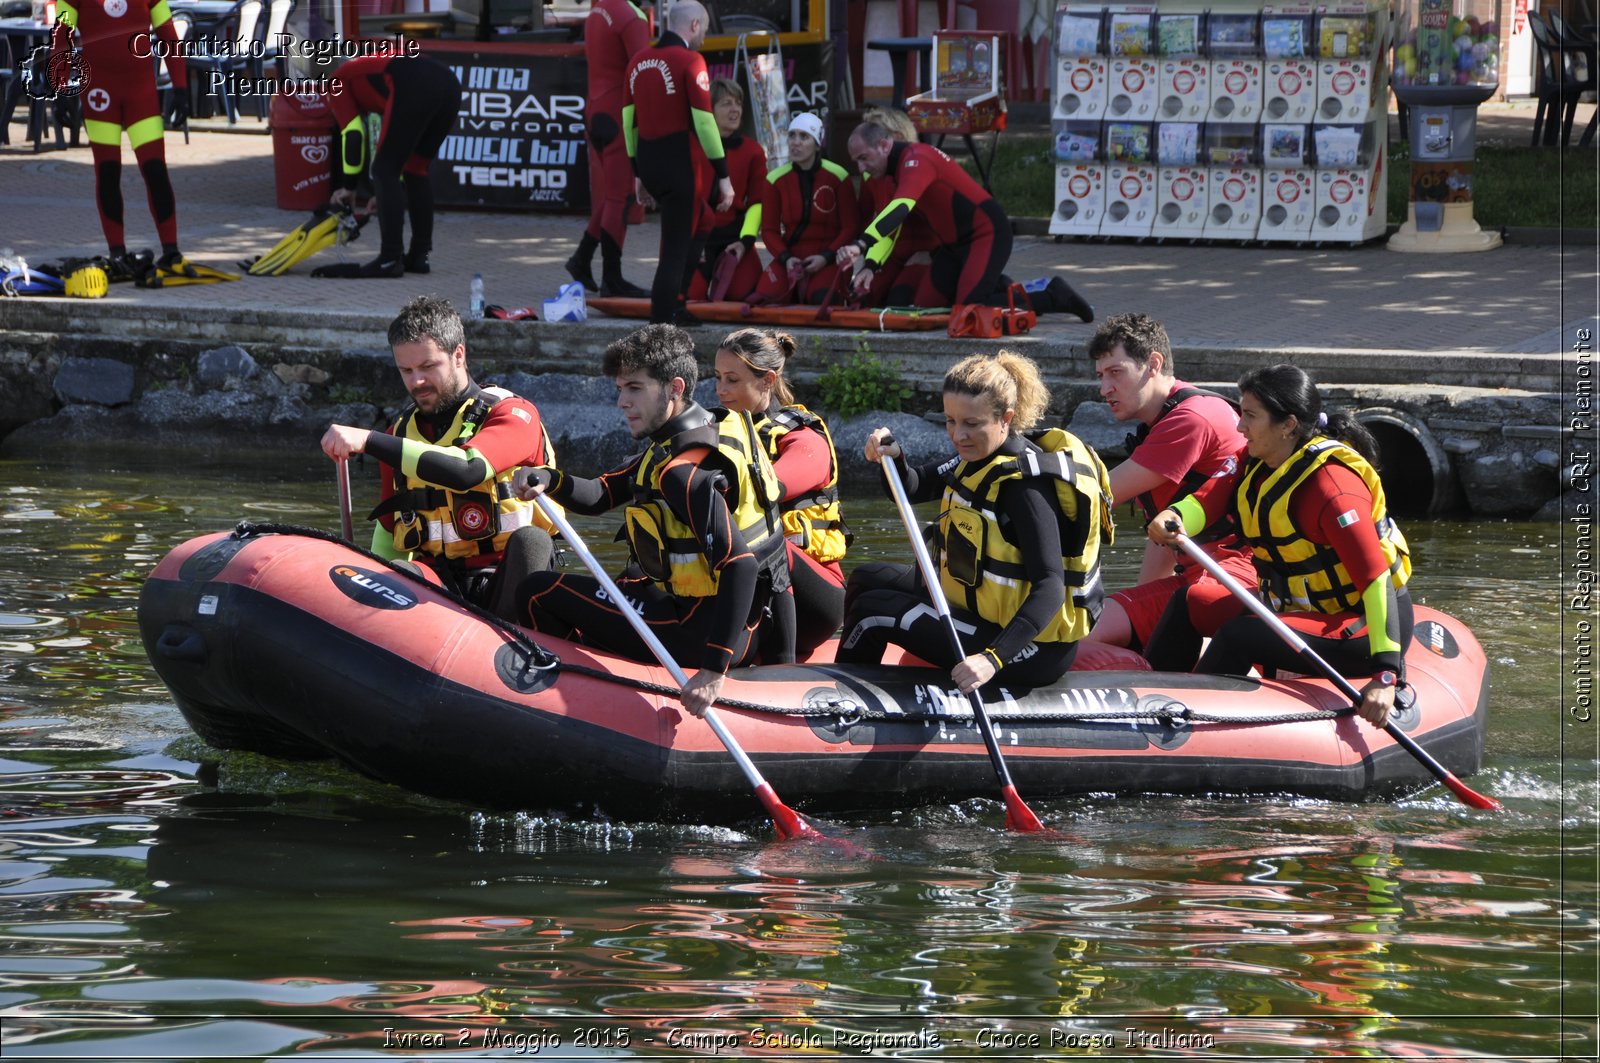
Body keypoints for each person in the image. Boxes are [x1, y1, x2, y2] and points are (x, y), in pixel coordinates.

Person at [511, 324, 792, 716]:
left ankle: (569, 704)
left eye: (635, 389)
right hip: (752, 625)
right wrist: (549, 478)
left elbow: (741, 565)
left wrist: (712, 672)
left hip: (701, 635)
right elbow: (600, 495)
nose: (622, 402)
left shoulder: (683, 472)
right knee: (629, 578)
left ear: (675, 388)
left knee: (537, 590)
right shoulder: (712, 426)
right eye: (620, 389)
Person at [1147, 364, 1414, 727]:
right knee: (1189, 602)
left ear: (1287, 425)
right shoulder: (1253, 460)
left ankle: (1189, 728)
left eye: (1251, 416)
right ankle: (1145, 702)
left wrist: (1386, 675)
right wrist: (1174, 515)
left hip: (1361, 626)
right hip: (1296, 606)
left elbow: (1375, 579)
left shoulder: (1333, 489)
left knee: (1238, 635)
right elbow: (1207, 498)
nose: (1240, 426)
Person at [838, 351, 1114, 692]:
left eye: (972, 424)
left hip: (1028, 648)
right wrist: (893, 457)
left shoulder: (1024, 490)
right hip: (978, 613)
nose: (958, 435)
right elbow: (912, 487)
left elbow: (1052, 586)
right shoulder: (976, 458)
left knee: (871, 611)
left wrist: (991, 659)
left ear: (1005, 418)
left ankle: (839, 709)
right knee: (866, 578)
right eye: (951, 421)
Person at [319, 295, 557, 619]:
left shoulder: (513, 414)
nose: (417, 381)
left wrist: (369, 440)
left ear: (458, 355)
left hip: (509, 577)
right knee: (399, 573)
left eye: (428, 366)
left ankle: (521, 653)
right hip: (440, 587)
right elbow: (391, 533)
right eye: (406, 370)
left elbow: (467, 470)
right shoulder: (398, 435)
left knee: (532, 541)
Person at [1080, 313, 1257, 669]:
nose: (1104, 389)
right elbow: (1162, 535)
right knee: (1100, 625)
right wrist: (1142, 611)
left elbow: (1093, 495)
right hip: (1199, 576)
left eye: (1116, 372)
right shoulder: (1165, 419)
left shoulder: (1190, 419)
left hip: (1231, 579)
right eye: (1101, 376)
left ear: (1153, 364)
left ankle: (1147, 683)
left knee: (1077, 639)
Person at [837, 121, 1093, 321]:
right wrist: (871, 263)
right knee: (926, 309)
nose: (861, 169)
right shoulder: (890, 172)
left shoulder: (917, 159)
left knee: (969, 311)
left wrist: (861, 245)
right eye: (856, 161)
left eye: (864, 158)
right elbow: (893, 226)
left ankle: (1053, 296)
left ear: (884, 145)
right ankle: (999, 285)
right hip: (952, 247)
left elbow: (900, 209)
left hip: (986, 234)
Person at [713, 327, 848, 658]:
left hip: (816, 600)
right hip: (751, 587)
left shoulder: (804, 439)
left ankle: (781, 666)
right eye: (717, 378)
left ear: (767, 380)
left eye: (732, 380)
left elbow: (769, 487)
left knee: (768, 545)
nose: (720, 390)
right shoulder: (721, 432)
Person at [46, 0, 191, 279]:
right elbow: (62, 36)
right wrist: (61, 86)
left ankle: (171, 251)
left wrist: (181, 87)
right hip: (100, 94)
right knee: (108, 172)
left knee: (155, 170)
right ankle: (117, 253)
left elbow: (169, 35)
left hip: (141, 95)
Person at [624, 0, 731, 324]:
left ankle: (677, 305)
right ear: (695, 25)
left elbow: (629, 120)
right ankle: (661, 326)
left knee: (703, 221)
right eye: (706, 30)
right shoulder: (690, 60)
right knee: (673, 250)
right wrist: (723, 174)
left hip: (649, 160)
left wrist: (637, 172)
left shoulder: (638, 61)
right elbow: (704, 122)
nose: (705, 38)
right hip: (679, 167)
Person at [312, 53, 463, 279]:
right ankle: (419, 256)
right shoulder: (366, 74)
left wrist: (349, 187)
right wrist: (384, 194)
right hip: (449, 84)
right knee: (415, 168)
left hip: (414, 83)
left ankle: (390, 258)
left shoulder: (337, 81)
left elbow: (353, 135)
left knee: (383, 169)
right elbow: (393, 153)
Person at [566, 0, 651, 298]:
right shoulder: (632, 16)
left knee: (614, 194)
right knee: (620, 197)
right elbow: (645, 74)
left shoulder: (598, 11)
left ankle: (581, 258)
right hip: (618, 115)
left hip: (595, 109)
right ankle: (611, 277)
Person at [748, 113, 859, 306]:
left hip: (828, 258)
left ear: (817, 144)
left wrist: (826, 257)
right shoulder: (775, 179)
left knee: (821, 300)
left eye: (804, 136)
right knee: (765, 298)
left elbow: (850, 228)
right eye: (792, 135)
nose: (795, 142)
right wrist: (786, 258)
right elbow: (769, 231)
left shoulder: (838, 177)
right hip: (791, 258)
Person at [686, 78, 768, 304]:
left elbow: (757, 203)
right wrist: (690, 242)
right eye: (726, 104)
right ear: (709, 110)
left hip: (734, 237)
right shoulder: (691, 145)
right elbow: (682, 200)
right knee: (688, 298)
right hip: (696, 235)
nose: (735, 109)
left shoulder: (753, 151)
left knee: (742, 297)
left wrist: (746, 242)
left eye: (738, 103)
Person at [852, 107, 937, 308]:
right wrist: (868, 265)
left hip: (925, 252)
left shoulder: (918, 166)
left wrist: (934, 255)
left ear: (894, 138)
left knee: (900, 301)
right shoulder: (869, 173)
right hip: (890, 253)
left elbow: (948, 221)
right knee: (864, 299)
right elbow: (865, 220)